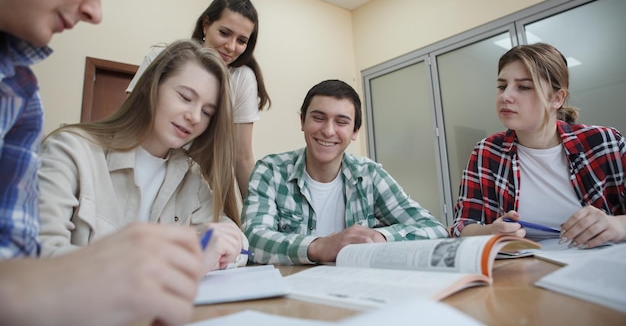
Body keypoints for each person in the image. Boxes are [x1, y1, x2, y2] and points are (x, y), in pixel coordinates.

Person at [0, 0, 216, 325]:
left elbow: (13, 258)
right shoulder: (70, 148)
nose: (96, 12)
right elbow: (35, 262)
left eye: (207, 111)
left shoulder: (20, 95)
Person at [38, 39, 248, 268]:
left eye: (207, 112)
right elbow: (38, 255)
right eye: (185, 98)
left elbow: (240, 246)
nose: (195, 117)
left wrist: (224, 244)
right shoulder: (71, 151)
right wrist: (174, 258)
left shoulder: (192, 180)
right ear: (151, 86)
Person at [242, 79, 448, 265]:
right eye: (318, 118)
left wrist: (381, 237)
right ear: (302, 121)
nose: (329, 131)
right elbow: (253, 239)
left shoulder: (370, 175)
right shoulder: (270, 170)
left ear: (355, 131)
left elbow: (433, 228)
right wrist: (318, 246)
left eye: (341, 122)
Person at [452, 43, 626, 249]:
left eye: (523, 87)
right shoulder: (486, 151)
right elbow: (462, 226)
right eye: (501, 86)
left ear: (557, 98)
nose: (505, 96)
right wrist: (491, 231)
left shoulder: (605, 142)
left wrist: (618, 224)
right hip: (521, 271)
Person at [127, 0, 271, 198]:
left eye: (241, 40)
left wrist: (256, 215)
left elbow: (243, 156)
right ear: (206, 24)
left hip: (196, 181)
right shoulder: (162, 58)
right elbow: (130, 120)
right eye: (224, 33)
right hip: (144, 166)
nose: (231, 47)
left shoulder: (242, 79)